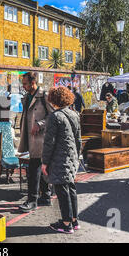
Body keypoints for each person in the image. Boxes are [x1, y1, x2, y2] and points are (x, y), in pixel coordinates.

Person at [41, 86, 81, 234]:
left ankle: (66, 224)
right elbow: (78, 140)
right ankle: (74, 220)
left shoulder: (55, 116)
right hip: (71, 156)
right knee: (70, 188)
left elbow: (49, 142)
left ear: (53, 100)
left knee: (62, 191)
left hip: (59, 158)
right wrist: (76, 156)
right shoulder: (74, 114)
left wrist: (45, 162)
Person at [18, 72, 54, 212]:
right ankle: (45, 196)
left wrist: (40, 124)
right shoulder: (27, 97)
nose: (23, 86)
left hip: (41, 139)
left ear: (33, 82)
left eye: (25, 83)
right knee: (39, 168)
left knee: (33, 170)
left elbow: (53, 115)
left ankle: (32, 200)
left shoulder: (44, 96)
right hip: (30, 137)